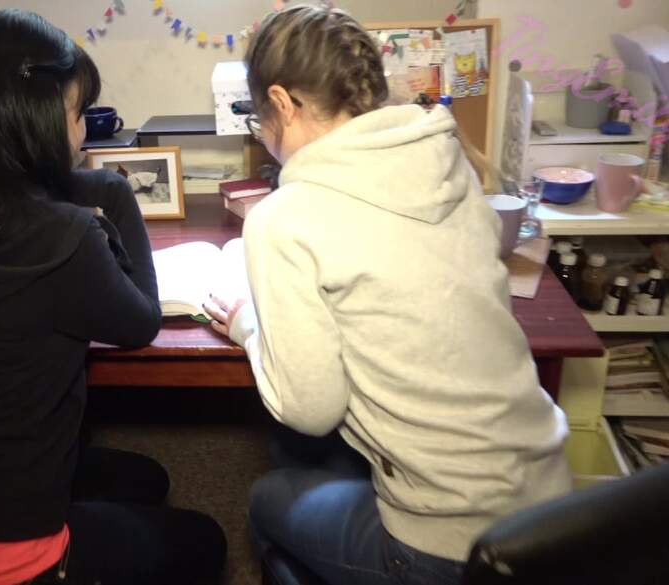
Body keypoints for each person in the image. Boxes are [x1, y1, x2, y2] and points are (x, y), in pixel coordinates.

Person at [204, 5, 571, 585]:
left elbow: (309, 409)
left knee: (267, 496)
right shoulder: (452, 166)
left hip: (446, 540)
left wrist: (249, 325)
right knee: (309, 453)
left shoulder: (284, 219)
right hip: (551, 504)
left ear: (280, 102)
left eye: (258, 120)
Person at [0, 9, 226, 585]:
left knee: (145, 480)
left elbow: (13, 196)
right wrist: (116, 193)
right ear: (35, 120)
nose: (84, 131)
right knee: (204, 540)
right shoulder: (68, 237)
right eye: (77, 113)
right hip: (1, 559)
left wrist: (89, 186)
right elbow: (141, 321)